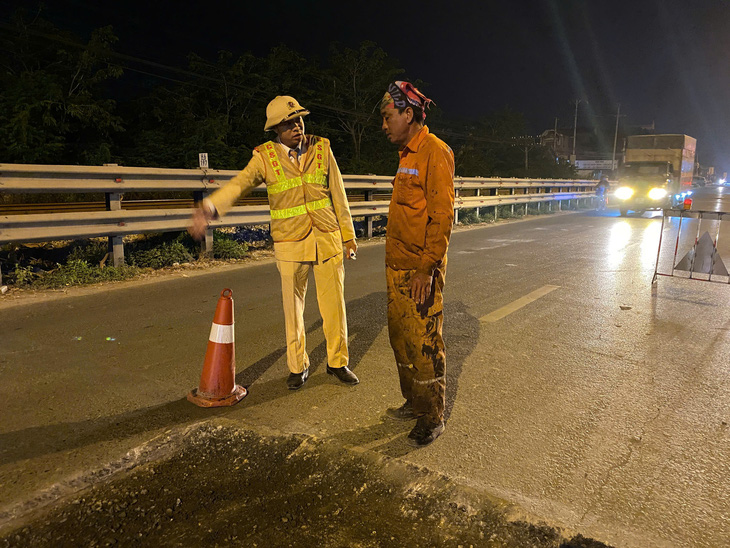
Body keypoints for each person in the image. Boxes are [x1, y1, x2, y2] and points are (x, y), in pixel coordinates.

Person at [189, 95, 359, 390]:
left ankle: (337, 362)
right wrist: (210, 207)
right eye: (288, 123)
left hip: (327, 238)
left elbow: (339, 194)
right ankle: (297, 366)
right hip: (290, 242)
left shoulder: (322, 147)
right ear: (276, 130)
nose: (297, 126)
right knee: (293, 309)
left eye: (299, 120)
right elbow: (239, 184)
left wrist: (348, 236)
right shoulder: (264, 157)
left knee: (334, 306)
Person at [379, 81, 455, 447]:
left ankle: (432, 415)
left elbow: (442, 216)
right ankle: (413, 402)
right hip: (397, 267)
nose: (384, 125)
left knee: (425, 344)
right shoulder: (407, 154)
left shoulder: (433, 152)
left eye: (388, 116)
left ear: (408, 114)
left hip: (420, 271)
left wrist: (427, 268)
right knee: (402, 342)